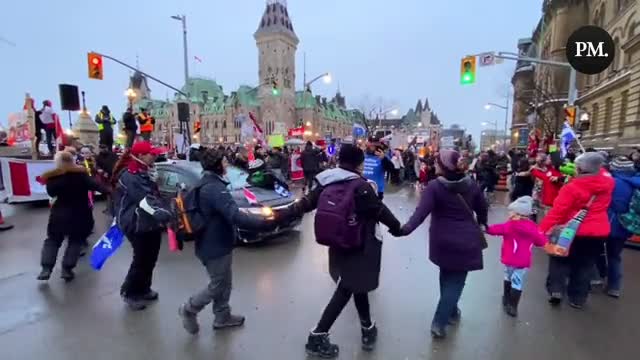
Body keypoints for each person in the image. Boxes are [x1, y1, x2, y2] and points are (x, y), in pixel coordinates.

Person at [278, 144, 400, 358]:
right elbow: (380, 211)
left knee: (355, 284)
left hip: (338, 242)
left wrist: (282, 213)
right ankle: (317, 336)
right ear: (359, 163)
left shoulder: (328, 180)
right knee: (347, 289)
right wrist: (399, 228)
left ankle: (367, 328)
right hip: (360, 244)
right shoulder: (361, 186)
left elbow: (306, 203)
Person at [178, 149, 279, 334]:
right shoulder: (214, 188)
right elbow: (235, 215)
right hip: (213, 245)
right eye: (224, 162)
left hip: (217, 242)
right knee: (218, 285)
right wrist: (265, 223)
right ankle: (189, 308)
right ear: (217, 165)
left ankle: (222, 316)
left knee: (224, 283)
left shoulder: (211, 183)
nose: (226, 164)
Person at [393, 149, 488, 339]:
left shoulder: (435, 187)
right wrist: (483, 223)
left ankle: (442, 318)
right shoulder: (471, 185)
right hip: (466, 241)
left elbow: (420, 213)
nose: (434, 165)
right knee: (456, 281)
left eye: (437, 162)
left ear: (444, 166)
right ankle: (447, 314)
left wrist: (404, 229)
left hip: (442, 240)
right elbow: (482, 208)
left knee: (446, 276)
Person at [540, 152, 614, 309]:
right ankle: (578, 298)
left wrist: (541, 230)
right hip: (598, 231)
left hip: (571, 231)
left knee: (559, 260)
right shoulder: (607, 182)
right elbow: (602, 170)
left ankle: (556, 290)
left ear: (580, 169)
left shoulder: (572, 187)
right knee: (585, 264)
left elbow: (557, 212)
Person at [113, 141, 171, 310]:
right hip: (135, 222)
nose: (155, 156)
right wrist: (162, 213)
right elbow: (144, 199)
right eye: (151, 154)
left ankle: (144, 288)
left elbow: (155, 195)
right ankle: (129, 292)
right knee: (141, 259)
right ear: (139, 156)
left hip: (149, 222)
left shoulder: (145, 171)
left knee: (151, 257)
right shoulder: (130, 175)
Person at [37, 151, 107, 281]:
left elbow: (51, 193)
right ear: (72, 161)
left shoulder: (53, 177)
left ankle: (46, 268)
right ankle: (67, 270)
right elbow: (97, 186)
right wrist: (111, 191)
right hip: (80, 214)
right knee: (75, 241)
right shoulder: (81, 175)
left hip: (59, 214)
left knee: (52, 240)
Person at [486, 196, 546, 317]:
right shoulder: (534, 227)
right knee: (517, 282)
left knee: (508, 277)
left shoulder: (510, 226)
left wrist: (485, 228)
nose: (509, 213)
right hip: (523, 261)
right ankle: (513, 307)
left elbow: (495, 229)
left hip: (509, 259)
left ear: (517, 214)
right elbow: (541, 241)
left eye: (511, 211)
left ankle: (506, 298)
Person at [602, 157, 640, 298]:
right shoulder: (636, 183)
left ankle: (595, 279)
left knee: (595, 251)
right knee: (615, 256)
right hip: (626, 224)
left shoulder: (614, 183)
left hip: (609, 222)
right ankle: (614, 287)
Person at [531, 153, 563, 221]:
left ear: (552, 161)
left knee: (549, 217)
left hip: (550, 199)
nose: (546, 159)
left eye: (548, 158)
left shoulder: (552, 172)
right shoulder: (551, 170)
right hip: (546, 197)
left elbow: (543, 176)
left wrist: (533, 170)